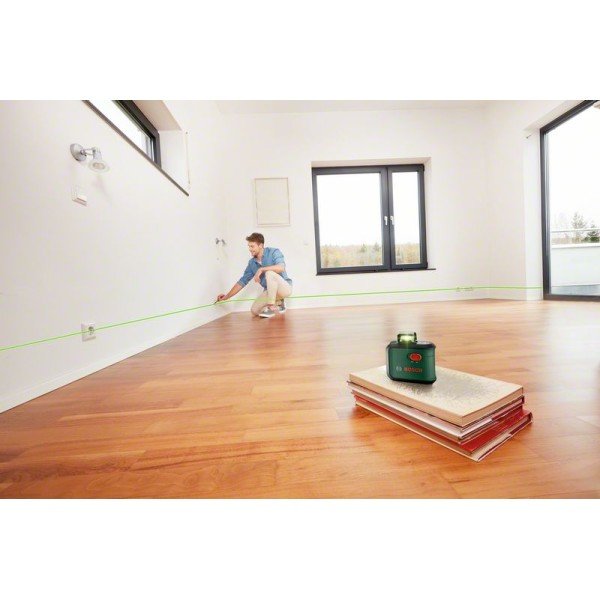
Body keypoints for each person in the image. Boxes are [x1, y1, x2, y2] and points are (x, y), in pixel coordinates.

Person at [215, 232, 293, 318]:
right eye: (249, 246)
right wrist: (226, 297)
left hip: (284, 288)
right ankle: (278, 303)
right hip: (270, 291)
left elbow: (281, 268)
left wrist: (261, 269)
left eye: (252, 246)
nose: (250, 249)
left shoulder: (274, 252)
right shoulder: (252, 263)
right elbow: (242, 282)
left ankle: (271, 307)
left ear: (261, 245)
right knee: (254, 310)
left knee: (269, 273)